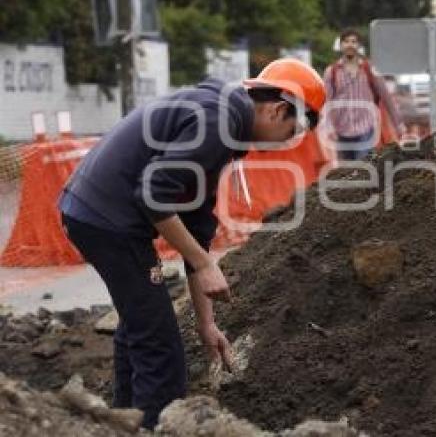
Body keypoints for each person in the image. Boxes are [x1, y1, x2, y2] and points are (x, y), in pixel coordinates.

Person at [58, 59, 325, 429]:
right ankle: (154, 426)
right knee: (162, 350)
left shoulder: (222, 121)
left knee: (140, 324)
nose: (286, 143)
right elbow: (152, 197)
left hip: (94, 213)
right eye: (293, 132)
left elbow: (196, 225)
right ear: (279, 109)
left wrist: (207, 323)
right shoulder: (217, 123)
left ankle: (122, 422)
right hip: (107, 220)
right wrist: (203, 263)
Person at [323, 28, 404, 161]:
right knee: (346, 174)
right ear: (341, 45)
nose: (350, 45)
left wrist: (398, 124)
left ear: (359, 46)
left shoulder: (370, 69)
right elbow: (326, 102)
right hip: (341, 130)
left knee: (364, 168)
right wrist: (328, 127)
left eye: (353, 42)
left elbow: (386, 97)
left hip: (366, 128)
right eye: (346, 41)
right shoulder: (331, 72)